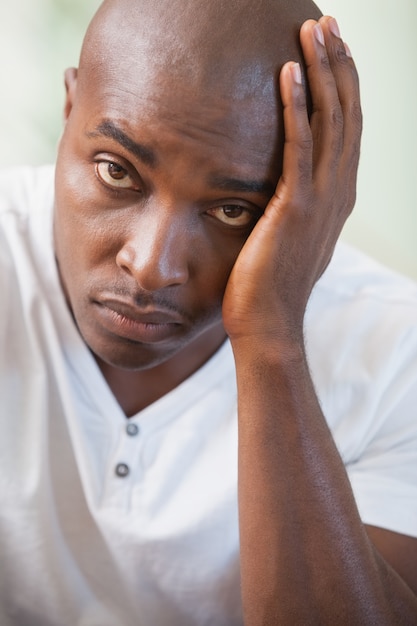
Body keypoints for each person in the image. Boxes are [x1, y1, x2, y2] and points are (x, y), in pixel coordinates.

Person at [0, 0, 416, 623]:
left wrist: (271, 335)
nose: (150, 265)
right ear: (68, 109)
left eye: (231, 211)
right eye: (117, 172)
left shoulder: (394, 356)